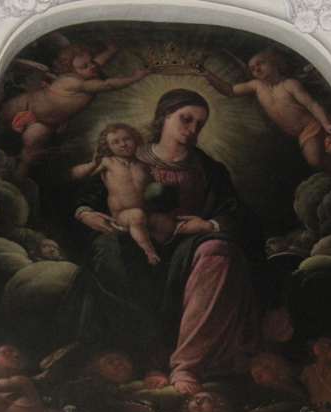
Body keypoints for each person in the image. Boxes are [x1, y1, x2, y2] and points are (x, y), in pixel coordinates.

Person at [74, 89, 262, 395]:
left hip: (187, 247)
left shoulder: (208, 169)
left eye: (199, 124)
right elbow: (90, 196)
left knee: (219, 250)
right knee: (107, 250)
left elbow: (236, 213)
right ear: (164, 117)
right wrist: (85, 213)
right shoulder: (126, 157)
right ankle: (139, 357)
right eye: (186, 119)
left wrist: (208, 224)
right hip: (133, 242)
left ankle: (188, 364)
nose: (192, 129)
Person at [201, 48, 331, 184]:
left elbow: (312, 104)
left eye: (260, 64)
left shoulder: (289, 84)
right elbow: (230, 90)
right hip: (300, 134)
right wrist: (207, 74)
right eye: (252, 68)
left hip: (312, 126)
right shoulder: (257, 86)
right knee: (320, 160)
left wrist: (326, 123)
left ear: (274, 63)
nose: (256, 69)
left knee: (314, 159)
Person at [1, 42, 151, 177]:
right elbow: (108, 85)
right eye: (84, 66)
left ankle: (19, 177)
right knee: (1, 120)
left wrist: (110, 51)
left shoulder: (86, 72)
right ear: (71, 69)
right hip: (26, 104)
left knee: (31, 150)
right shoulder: (74, 82)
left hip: (45, 123)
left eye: (91, 62)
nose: (92, 66)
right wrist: (135, 78)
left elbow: (96, 63)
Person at [71, 123, 177, 265]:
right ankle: (149, 252)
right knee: (136, 215)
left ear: (135, 139)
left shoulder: (143, 164)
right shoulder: (108, 162)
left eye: (127, 139)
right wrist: (92, 164)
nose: (123, 144)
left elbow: (155, 186)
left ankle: (164, 257)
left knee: (167, 223)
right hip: (122, 215)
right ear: (108, 147)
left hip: (146, 212)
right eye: (115, 142)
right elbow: (75, 175)